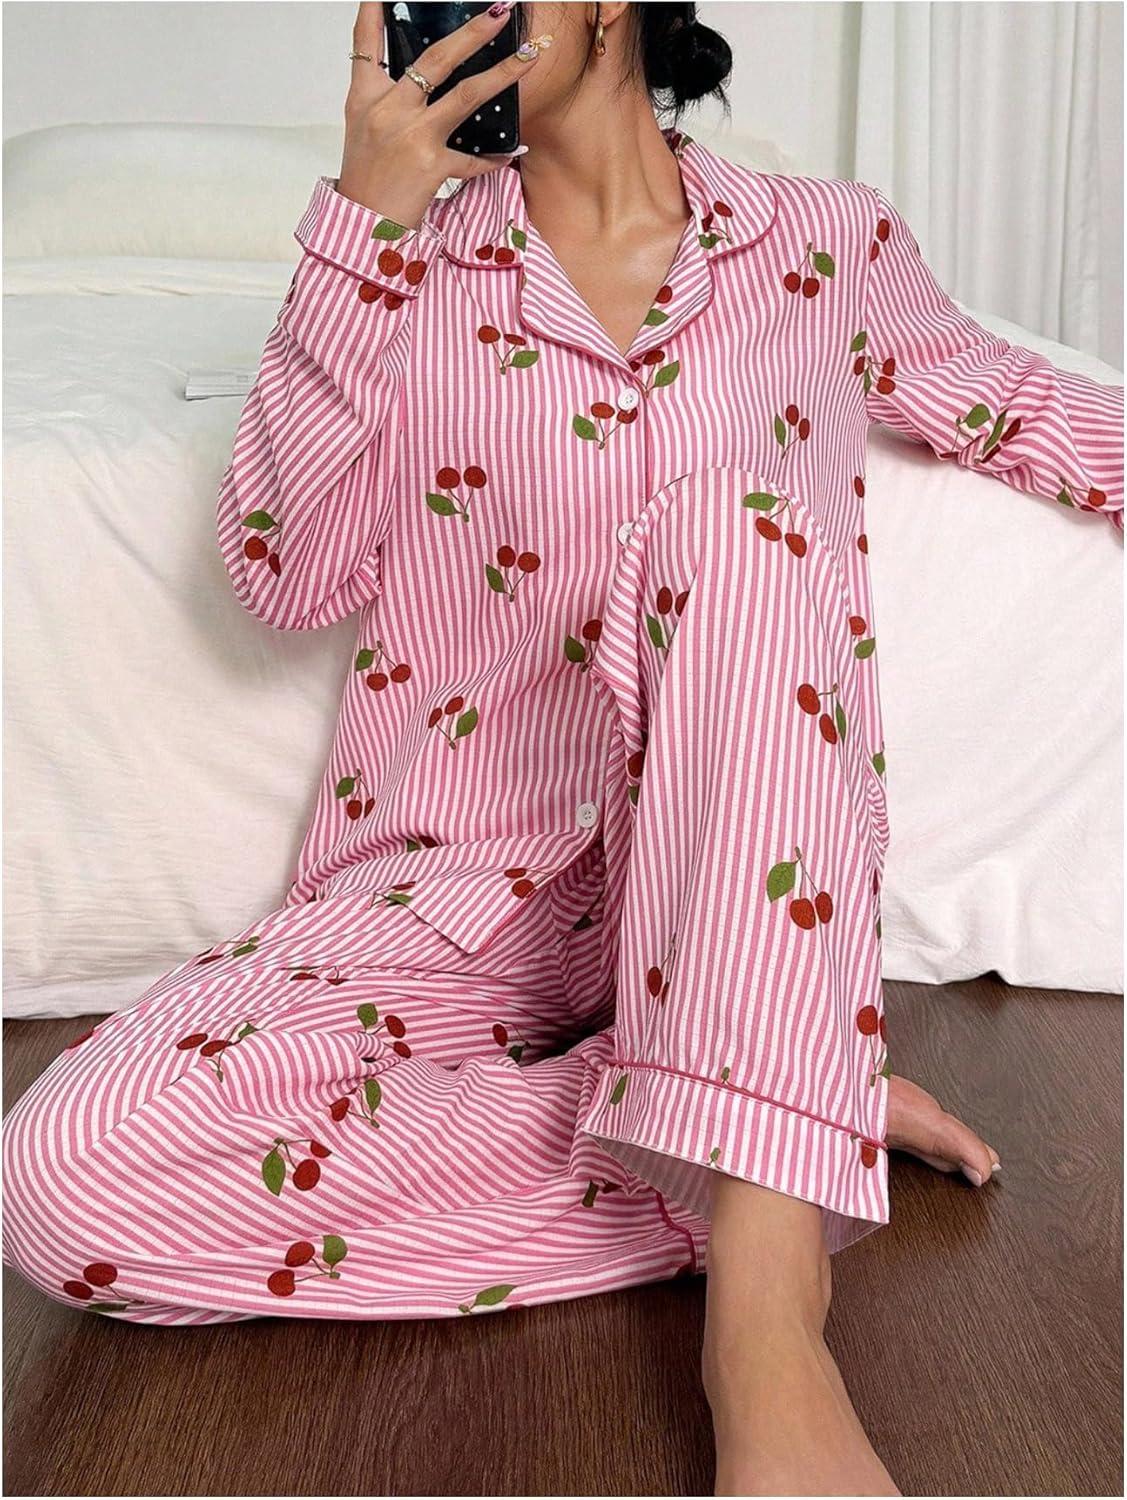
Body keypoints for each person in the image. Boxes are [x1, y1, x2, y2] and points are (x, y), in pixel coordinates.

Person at [3, 4, 1121, 1494]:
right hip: (449, 896)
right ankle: (778, 1136)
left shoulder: (827, 243)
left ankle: (767, 1322)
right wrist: (364, 224)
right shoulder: (401, 265)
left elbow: (1027, 408)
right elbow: (285, 574)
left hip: (734, 887)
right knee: (67, 1176)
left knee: (740, 529)